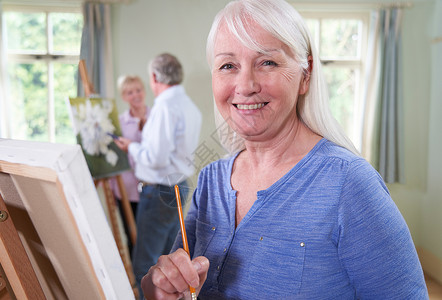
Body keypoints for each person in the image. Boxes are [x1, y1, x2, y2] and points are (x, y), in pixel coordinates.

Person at [140, 0, 429, 299]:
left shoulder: (349, 184)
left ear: (306, 74)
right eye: (228, 65)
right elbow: (174, 284)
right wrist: (159, 286)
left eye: (267, 62)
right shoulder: (210, 181)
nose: (246, 85)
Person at [114, 53, 202, 299]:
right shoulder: (188, 105)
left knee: (146, 265)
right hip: (177, 187)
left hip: (160, 190)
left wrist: (131, 145)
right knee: (169, 262)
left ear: (153, 77)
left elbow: (155, 158)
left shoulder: (164, 107)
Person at [109, 75, 150, 255]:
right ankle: (137, 279)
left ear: (144, 91)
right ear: (124, 97)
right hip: (126, 190)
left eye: (138, 90)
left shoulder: (157, 117)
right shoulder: (118, 123)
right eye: (129, 92)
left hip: (152, 188)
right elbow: (115, 158)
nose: (135, 95)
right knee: (132, 236)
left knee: (152, 237)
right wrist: (111, 188)